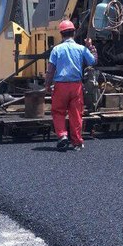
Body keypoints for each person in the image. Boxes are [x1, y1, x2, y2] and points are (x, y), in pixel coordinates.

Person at [44, 19, 97, 151]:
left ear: (61, 34)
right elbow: (93, 61)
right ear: (73, 33)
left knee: (58, 112)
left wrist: (47, 85)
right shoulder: (81, 48)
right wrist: (90, 47)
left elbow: (50, 70)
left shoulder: (56, 50)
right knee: (76, 114)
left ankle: (62, 136)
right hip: (76, 86)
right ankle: (77, 142)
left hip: (60, 86)